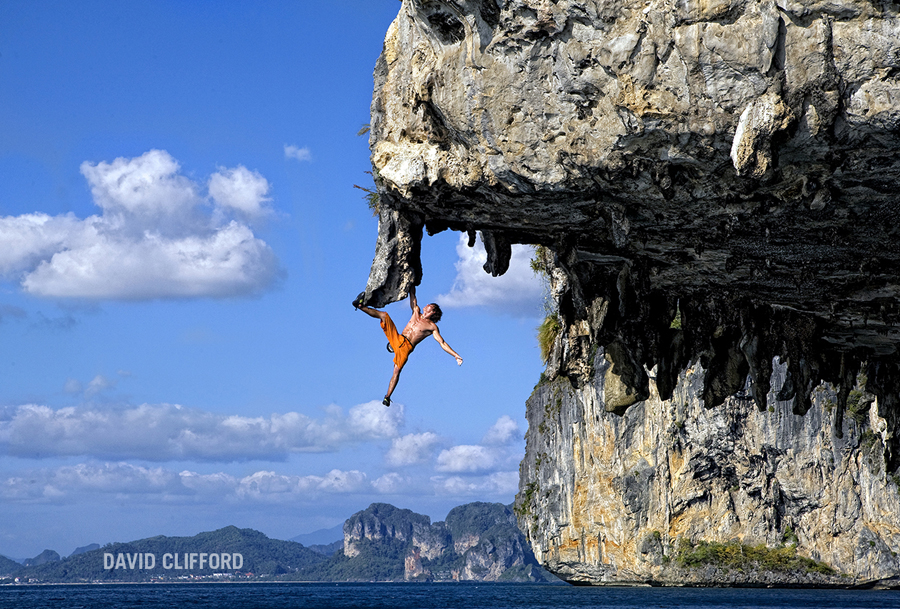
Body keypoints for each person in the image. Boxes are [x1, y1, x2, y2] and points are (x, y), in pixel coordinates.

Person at [353, 286, 463, 406]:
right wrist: (412, 282)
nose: (427, 305)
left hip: (406, 347)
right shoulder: (416, 310)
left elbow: (442, 343)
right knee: (384, 315)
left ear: (433, 311)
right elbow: (413, 296)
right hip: (398, 338)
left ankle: (387, 397)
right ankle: (360, 306)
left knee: (396, 370)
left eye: (430, 305)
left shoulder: (431, 327)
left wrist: (456, 355)